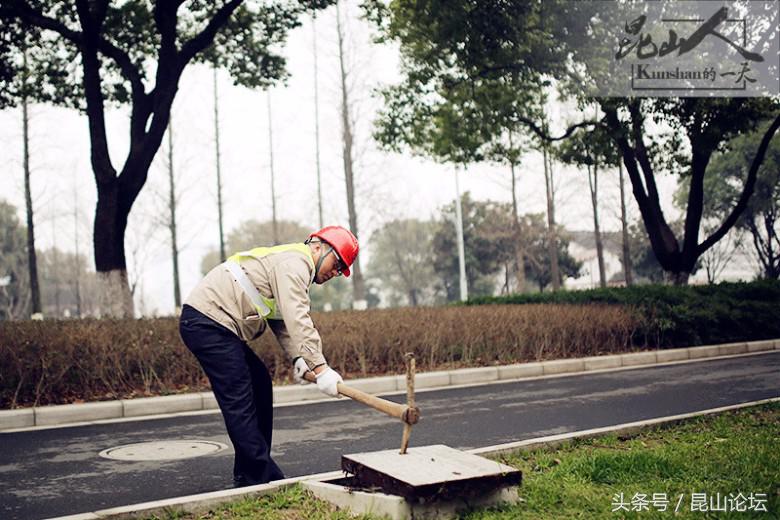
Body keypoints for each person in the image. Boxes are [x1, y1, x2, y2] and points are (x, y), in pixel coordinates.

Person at [178, 225, 359, 487]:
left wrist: (299, 360)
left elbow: (282, 321)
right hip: (207, 322)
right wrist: (320, 368)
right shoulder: (295, 264)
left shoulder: (294, 266)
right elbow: (298, 318)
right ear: (318, 246)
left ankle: (248, 473)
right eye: (336, 262)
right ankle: (261, 477)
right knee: (240, 396)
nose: (336, 272)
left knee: (260, 383)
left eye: (341, 269)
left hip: (215, 325)